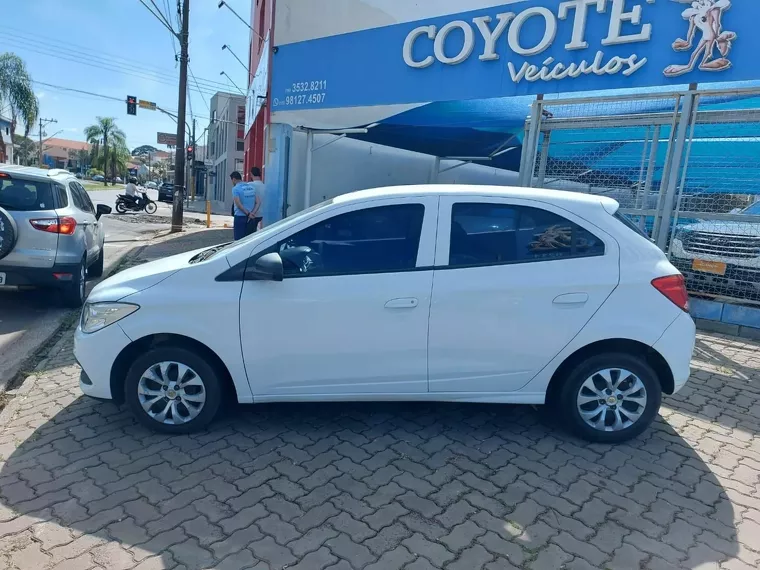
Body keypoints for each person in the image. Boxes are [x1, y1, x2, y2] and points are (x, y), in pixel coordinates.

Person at [230, 171, 257, 240]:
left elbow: (238, 204)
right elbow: (258, 202)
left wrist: (248, 214)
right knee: (249, 240)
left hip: (240, 217)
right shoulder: (251, 187)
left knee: (238, 241)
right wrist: (252, 213)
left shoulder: (235, 189)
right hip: (251, 218)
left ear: (234, 179)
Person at [248, 166, 264, 233]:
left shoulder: (249, 185)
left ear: (251, 174)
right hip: (262, 214)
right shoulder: (265, 186)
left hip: (252, 214)